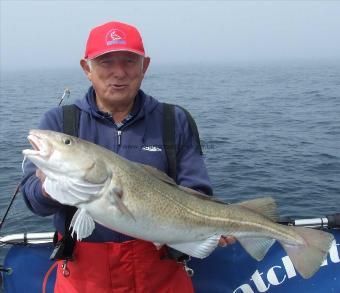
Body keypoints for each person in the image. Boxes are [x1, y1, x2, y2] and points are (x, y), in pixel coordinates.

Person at [22, 20, 234, 293]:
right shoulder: (59, 121)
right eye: (106, 62)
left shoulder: (174, 120)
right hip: (83, 278)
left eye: (129, 62)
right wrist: (47, 187)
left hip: (161, 275)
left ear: (144, 67)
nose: (118, 72)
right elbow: (33, 201)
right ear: (87, 68)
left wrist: (208, 226)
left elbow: (197, 190)